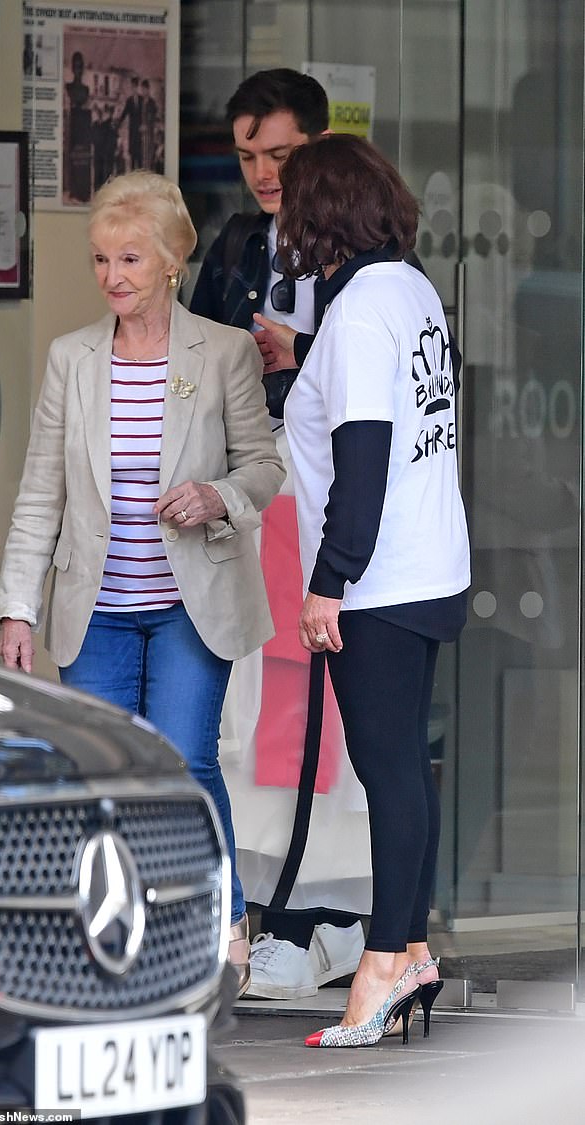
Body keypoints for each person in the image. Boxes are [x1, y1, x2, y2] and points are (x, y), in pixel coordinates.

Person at [0, 170, 285, 997]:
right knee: (106, 777)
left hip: (193, 606)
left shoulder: (221, 352)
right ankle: (123, 941)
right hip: (100, 610)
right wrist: (15, 604)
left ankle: (221, 925)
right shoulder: (72, 359)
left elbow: (265, 467)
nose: (113, 276)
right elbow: (40, 489)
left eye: (129, 258)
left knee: (185, 760)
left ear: (170, 263)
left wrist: (216, 496)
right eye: (100, 260)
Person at [274, 133, 470, 1046]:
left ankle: (382, 963)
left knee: (388, 770)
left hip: (378, 580)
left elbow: (365, 455)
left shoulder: (357, 313)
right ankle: (415, 949)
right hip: (432, 568)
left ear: (320, 218)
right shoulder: (413, 290)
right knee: (407, 773)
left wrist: (328, 583)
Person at [191, 68, 366, 1001]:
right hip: (253, 495)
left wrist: (294, 356)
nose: (264, 173)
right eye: (250, 155)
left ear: (320, 144)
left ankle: (327, 911)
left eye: (282, 153)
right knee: (250, 711)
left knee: (316, 708)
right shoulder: (235, 243)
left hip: (326, 498)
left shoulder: (355, 255)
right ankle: (281, 910)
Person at [65, 51, 92, 203]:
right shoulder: (68, 88)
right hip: (74, 130)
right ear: (72, 69)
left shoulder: (86, 90)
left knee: (82, 160)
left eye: (81, 66)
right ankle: (75, 190)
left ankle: (82, 191)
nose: (79, 69)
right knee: (74, 159)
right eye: (76, 66)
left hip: (83, 130)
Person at [119, 76, 143, 171]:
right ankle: (133, 176)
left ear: (138, 87)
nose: (134, 89)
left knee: (140, 157)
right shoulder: (129, 101)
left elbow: (145, 115)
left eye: (135, 87)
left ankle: (140, 177)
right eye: (132, 87)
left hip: (140, 132)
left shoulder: (142, 100)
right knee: (132, 156)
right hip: (132, 132)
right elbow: (124, 113)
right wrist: (118, 122)